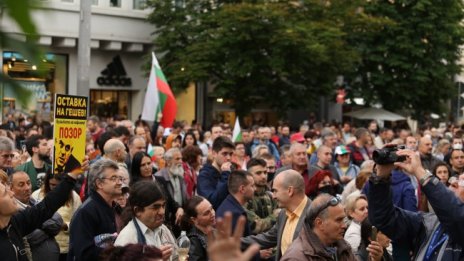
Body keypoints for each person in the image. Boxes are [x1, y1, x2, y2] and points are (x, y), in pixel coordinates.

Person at [368, 148, 464, 260]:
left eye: (462, 181)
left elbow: (456, 216)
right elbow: (384, 219)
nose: (454, 183)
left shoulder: (458, 221)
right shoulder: (429, 222)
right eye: (453, 179)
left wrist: (420, 172)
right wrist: (381, 177)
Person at [0, 166, 82, 261]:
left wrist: (72, 175)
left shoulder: (14, 223)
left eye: (28, 183)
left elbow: (47, 206)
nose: (12, 194)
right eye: (5, 193)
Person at [241, 170, 311, 260]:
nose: (273, 196)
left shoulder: (314, 215)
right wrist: (233, 242)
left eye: (275, 191)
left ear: (290, 191)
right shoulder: (283, 214)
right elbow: (268, 238)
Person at [68, 159, 122, 261]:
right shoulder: (86, 212)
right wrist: (117, 253)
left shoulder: (116, 208)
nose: (119, 183)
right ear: (99, 183)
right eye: (114, 178)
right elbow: (84, 253)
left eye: (120, 178)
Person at [280, 194, 357, 261]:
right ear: (319, 223)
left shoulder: (342, 247)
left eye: (343, 219)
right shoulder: (296, 257)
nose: (344, 225)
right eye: (338, 220)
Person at [114, 180, 176, 261]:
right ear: (138, 211)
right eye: (155, 207)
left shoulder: (163, 229)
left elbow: (176, 256)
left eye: (163, 205)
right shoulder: (127, 239)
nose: (162, 212)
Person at [9, 171, 62, 261]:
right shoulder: (12, 211)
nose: (27, 188)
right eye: (21, 185)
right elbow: (30, 237)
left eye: (28, 183)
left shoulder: (34, 202)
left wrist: (39, 223)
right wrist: (48, 232)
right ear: (11, 188)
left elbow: (58, 222)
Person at [31, 172, 82, 261]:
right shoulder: (36, 195)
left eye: (59, 185)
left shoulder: (74, 197)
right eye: (53, 185)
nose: (57, 188)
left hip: (65, 248)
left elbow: (80, 223)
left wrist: (65, 226)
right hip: (43, 247)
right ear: (47, 183)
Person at [197, 136, 236, 209]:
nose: (229, 158)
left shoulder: (231, 171)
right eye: (224, 154)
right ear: (214, 153)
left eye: (230, 154)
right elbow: (212, 202)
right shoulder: (204, 175)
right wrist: (225, 175)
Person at [216, 170, 256, 238]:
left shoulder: (228, 204)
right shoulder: (235, 214)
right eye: (252, 186)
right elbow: (240, 244)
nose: (255, 189)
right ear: (242, 189)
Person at [181, 195, 216, 261]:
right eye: (206, 213)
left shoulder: (213, 230)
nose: (212, 214)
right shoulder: (194, 241)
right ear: (194, 219)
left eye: (211, 208)